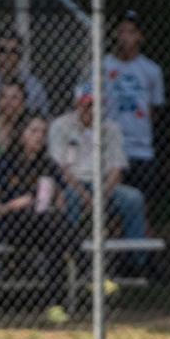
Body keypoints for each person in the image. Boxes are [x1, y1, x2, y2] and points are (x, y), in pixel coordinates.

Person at [0, 115, 79, 322]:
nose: (38, 137)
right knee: (55, 230)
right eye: (33, 131)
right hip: (13, 225)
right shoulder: (5, 163)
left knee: (55, 238)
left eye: (43, 132)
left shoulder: (47, 164)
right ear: (21, 134)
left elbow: (61, 203)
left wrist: (52, 205)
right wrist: (11, 205)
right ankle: (88, 270)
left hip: (44, 225)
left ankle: (54, 306)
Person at [48, 86, 148, 270]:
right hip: (74, 183)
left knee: (133, 199)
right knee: (70, 198)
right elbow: (60, 169)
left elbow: (116, 168)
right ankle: (74, 257)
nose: (91, 111)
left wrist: (100, 196)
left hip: (104, 185)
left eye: (95, 106)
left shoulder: (111, 128)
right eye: (86, 106)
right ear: (77, 105)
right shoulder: (61, 126)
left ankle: (137, 262)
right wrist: (87, 197)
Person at [104, 10, 165, 198]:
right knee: (113, 204)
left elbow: (155, 109)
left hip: (140, 147)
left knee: (141, 204)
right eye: (121, 31)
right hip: (110, 146)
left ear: (140, 36)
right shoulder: (103, 65)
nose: (125, 37)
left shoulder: (151, 70)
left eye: (131, 32)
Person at [0, 34, 49, 117]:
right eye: (2, 50)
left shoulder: (34, 86)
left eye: (13, 51)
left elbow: (43, 117)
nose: (8, 55)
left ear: (20, 56)